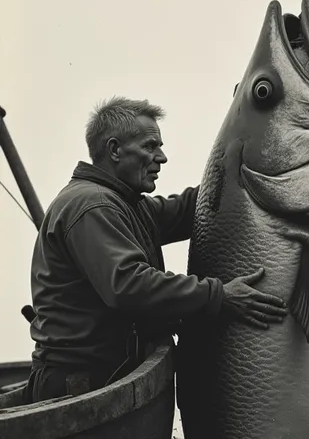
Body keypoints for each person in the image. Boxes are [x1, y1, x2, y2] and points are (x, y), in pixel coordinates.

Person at [24, 96, 287, 402]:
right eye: (150, 146)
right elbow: (129, 284)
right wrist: (219, 294)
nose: (161, 157)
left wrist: (246, 156)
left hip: (106, 374)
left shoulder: (128, 205)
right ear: (114, 150)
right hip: (80, 383)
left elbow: (193, 208)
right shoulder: (92, 205)